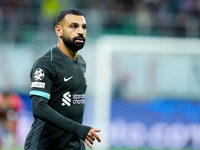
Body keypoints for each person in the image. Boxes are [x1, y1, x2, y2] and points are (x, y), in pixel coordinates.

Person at [24, 8, 101, 150]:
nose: (80, 31)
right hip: (44, 145)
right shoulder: (46, 64)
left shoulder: (81, 62)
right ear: (58, 30)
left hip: (73, 145)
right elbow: (39, 108)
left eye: (84, 27)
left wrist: (78, 135)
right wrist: (79, 129)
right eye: (73, 26)